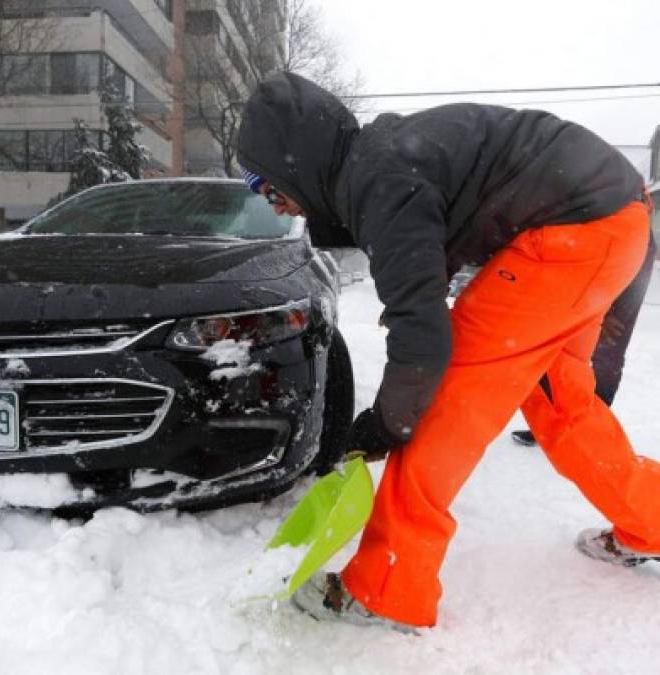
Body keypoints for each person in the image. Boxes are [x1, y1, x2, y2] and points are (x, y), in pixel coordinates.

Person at [236, 72, 660, 632]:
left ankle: (387, 586)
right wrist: (419, 312)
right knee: (562, 401)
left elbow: (424, 343)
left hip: (572, 236)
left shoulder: (377, 179)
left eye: (269, 190)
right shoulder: (382, 161)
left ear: (296, 163)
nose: (280, 208)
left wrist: (385, 423)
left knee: (440, 407)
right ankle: (651, 520)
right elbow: (437, 249)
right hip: (611, 226)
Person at [511, 236, 656, 446]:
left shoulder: (629, 216)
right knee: (557, 347)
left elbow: (638, 257)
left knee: (608, 349)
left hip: (628, 253)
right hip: (581, 257)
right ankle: (550, 423)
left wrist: (613, 312)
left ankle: (590, 430)